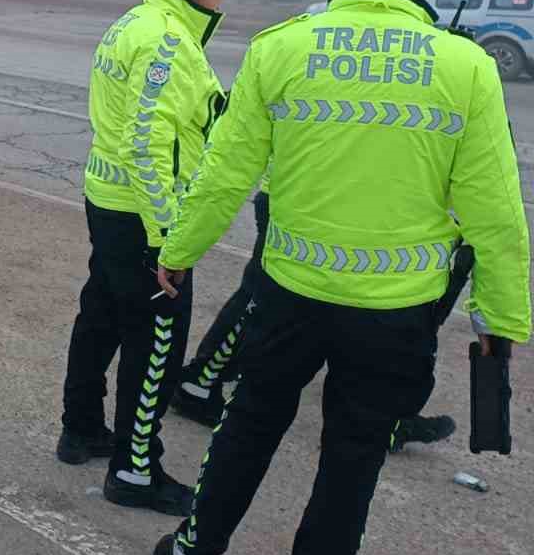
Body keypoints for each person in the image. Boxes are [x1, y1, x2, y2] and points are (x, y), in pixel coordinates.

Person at [151, 0, 528, 555]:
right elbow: (497, 215)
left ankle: (194, 554)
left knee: (251, 423)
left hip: (289, 292)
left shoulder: (282, 48)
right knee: (352, 458)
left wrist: (179, 251)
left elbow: (227, 172)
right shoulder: (466, 68)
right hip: (396, 314)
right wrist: (503, 323)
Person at [57, 0, 228, 519]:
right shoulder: (168, 41)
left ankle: (79, 429)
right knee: (156, 337)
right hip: (140, 215)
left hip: (107, 201)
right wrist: (167, 241)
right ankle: (135, 469)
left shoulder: (135, 20)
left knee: (101, 312)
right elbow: (147, 142)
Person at [172, 173, 458, 453]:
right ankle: (201, 380)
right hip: (311, 199)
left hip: (321, 197)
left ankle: (203, 381)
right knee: (263, 302)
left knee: (267, 302)